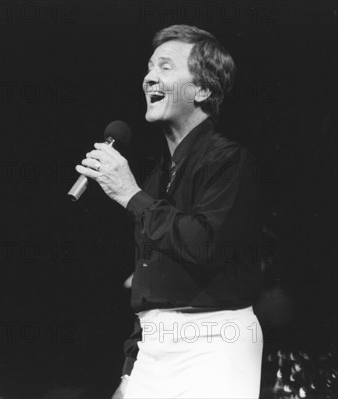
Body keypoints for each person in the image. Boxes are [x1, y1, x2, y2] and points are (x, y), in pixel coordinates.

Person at [75, 25, 263, 398]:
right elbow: (149, 283)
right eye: (148, 67)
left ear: (203, 89)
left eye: (165, 67)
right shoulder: (155, 180)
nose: (148, 77)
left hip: (214, 341)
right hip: (153, 349)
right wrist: (130, 371)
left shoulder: (230, 161)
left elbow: (203, 246)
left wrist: (129, 194)